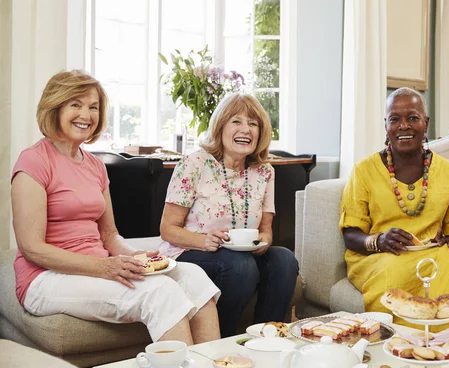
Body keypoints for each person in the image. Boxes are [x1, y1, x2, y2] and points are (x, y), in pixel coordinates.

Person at [11, 70, 221, 345]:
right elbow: (32, 248)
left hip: (98, 265)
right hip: (46, 278)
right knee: (159, 292)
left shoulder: (95, 166)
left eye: (93, 107)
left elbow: (109, 235)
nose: (86, 115)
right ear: (55, 107)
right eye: (75, 104)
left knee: (193, 275)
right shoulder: (34, 161)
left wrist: (137, 257)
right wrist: (103, 267)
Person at [340, 87, 449, 337]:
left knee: (447, 262)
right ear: (386, 125)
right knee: (395, 269)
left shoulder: (448, 171)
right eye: (395, 119)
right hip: (381, 256)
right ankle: (397, 348)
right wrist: (379, 241)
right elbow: (351, 233)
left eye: (413, 118)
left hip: (430, 254)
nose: (403, 126)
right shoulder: (363, 171)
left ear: (425, 123)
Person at [159, 93, 298, 337]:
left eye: (253, 124)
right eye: (236, 121)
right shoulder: (194, 164)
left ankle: (264, 338)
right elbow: (168, 229)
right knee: (241, 266)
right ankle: (223, 341)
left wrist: (264, 242)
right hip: (192, 251)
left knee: (284, 259)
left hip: (239, 256)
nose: (246, 129)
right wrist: (204, 240)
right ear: (220, 126)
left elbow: (266, 229)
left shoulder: (264, 172)